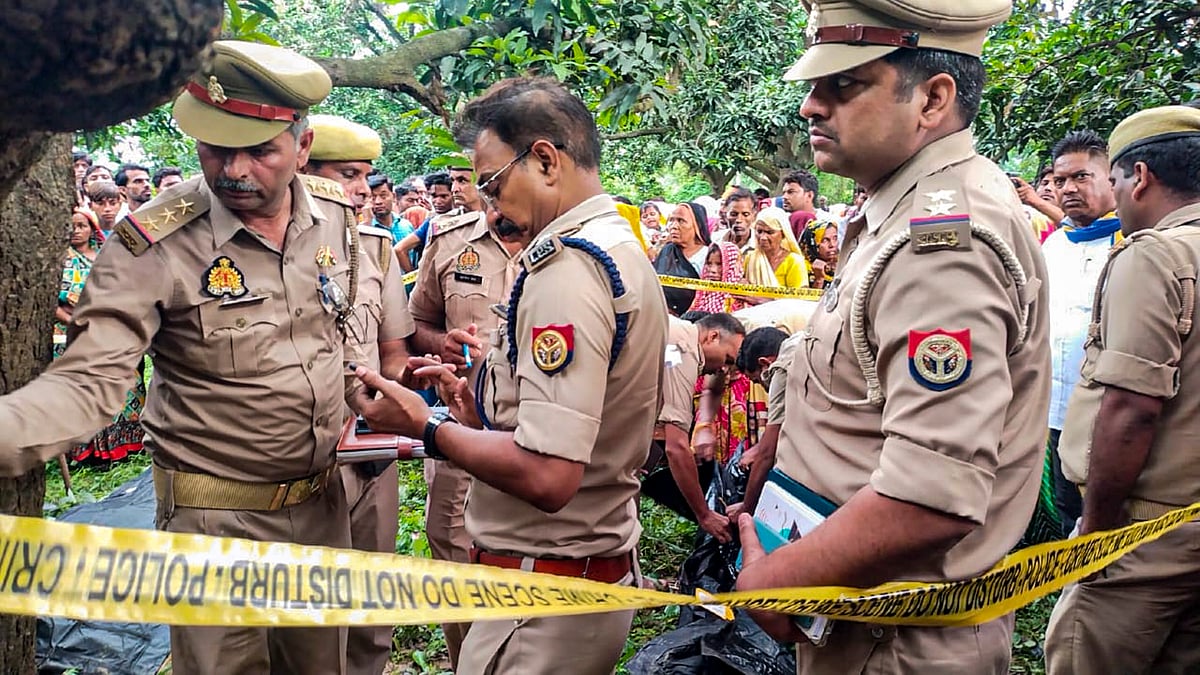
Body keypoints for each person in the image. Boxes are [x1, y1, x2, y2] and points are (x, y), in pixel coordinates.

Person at [0, 40, 364, 674]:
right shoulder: (154, 241)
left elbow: (332, 335)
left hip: (322, 506)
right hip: (215, 524)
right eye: (216, 147)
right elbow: (88, 383)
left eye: (259, 151)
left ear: (303, 148)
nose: (234, 171)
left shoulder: (333, 218)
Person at [733, 2, 1051, 673]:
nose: (810, 108)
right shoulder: (908, 206)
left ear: (933, 98)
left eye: (843, 85)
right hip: (866, 621)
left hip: (896, 643)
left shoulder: (941, 239)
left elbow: (932, 495)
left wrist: (779, 577)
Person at [351, 76, 669, 675]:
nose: (489, 204)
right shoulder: (615, 247)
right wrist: (481, 415)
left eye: (494, 183)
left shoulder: (565, 269)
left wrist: (429, 426)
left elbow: (551, 475)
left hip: (542, 599)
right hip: (567, 579)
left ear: (545, 159)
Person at [1044, 105, 1200, 675]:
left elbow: (1132, 407)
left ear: (1139, 178)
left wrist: (1098, 528)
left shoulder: (1156, 253)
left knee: (1086, 657)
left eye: (1107, 178)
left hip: (1144, 529)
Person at [302, 114, 417, 675]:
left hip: (370, 450)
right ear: (302, 169)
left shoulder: (374, 249)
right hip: (304, 454)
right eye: (347, 174)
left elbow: (391, 348)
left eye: (365, 177)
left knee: (374, 586)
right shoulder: (272, 252)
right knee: (313, 601)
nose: (361, 191)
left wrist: (403, 378)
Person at [405, 198, 525, 670]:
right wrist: (442, 345)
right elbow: (417, 324)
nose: (498, 194)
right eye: (486, 183)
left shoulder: (570, 244)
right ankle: (468, 662)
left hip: (541, 433)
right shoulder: (451, 241)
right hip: (459, 427)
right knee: (451, 540)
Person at [1042, 129, 1121, 536]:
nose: (1067, 189)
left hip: (1111, 409)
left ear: (1112, 179)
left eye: (1081, 177)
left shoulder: (1135, 244)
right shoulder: (1054, 246)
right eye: (1059, 181)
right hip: (1055, 408)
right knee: (1067, 503)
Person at [54, 207, 148, 465]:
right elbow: (53, 303)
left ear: (91, 228)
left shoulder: (104, 256)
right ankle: (88, 451)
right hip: (71, 336)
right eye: (71, 226)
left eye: (81, 225)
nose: (76, 231)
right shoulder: (59, 260)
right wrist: (78, 323)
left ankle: (124, 442)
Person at [655, 312, 745, 541]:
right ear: (712, 337)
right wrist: (704, 515)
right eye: (727, 360)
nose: (725, 370)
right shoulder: (682, 350)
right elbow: (676, 447)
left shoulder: (676, 336)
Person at [653, 202, 711, 315]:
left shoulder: (707, 255)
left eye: (681, 221)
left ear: (697, 226)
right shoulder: (666, 251)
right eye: (671, 220)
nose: (673, 226)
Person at [742, 206, 808, 293]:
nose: (763, 237)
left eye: (770, 232)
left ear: (783, 234)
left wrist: (763, 300)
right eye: (759, 231)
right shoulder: (750, 258)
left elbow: (799, 299)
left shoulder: (794, 261)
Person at [689, 241, 748, 314]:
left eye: (719, 264)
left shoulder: (741, 293)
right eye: (709, 264)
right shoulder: (703, 292)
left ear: (732, 265)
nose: (712, 270)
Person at [798, 217, 839, 288]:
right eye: (825, 240)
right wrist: (819, 279)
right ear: (812, 243)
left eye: (835, 238)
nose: (832, 245)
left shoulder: (841, 265)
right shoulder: (801, 269)